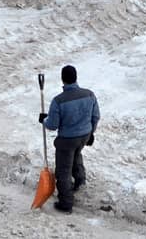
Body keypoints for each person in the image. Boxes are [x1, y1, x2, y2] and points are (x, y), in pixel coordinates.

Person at [41, 64, 100, 214]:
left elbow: (52, 125)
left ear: (63, 79)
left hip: (67, 140)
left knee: (63, 170)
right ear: (76, 77)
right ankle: (80, 182)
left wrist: (44, 120)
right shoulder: (89, 95)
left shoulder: (58, 101)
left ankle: (66, 203)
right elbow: (95, 116)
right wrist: (91, 132)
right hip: (84, 135)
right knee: (76, 155)